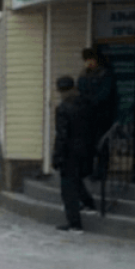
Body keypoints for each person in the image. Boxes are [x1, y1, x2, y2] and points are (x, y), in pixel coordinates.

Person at [53, 76, 96, 232]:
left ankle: (75, 224)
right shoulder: (86, 104)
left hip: (69, 151)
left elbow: (62, 135)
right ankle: (89, 203)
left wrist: (57, 156)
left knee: (68, 189)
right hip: (86, 149)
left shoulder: (63, 108)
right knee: (76, 180)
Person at [77, 48, 118, 181]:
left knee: (101, 144)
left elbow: (105, 95)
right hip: (87, 116)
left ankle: (101, 172)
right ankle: (87, 170)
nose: (89, 62)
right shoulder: (84, 75)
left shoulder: (105, 74)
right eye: (87, 60)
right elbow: (80, 91)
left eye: (91, 59)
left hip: (102, 116)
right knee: (87, 144)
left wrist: (89, 101)